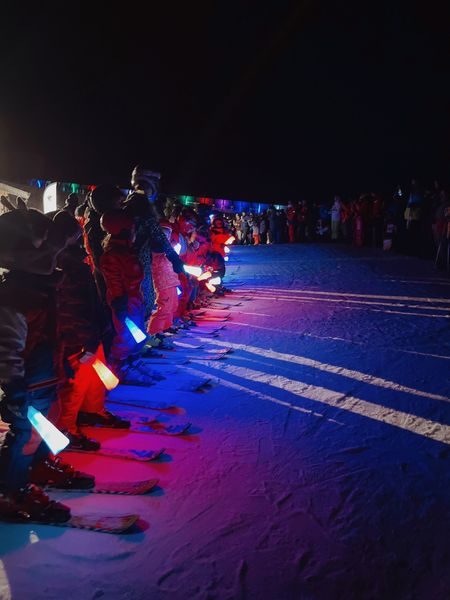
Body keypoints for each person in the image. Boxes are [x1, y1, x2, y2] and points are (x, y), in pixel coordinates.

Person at [0, 209, 91, 522]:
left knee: (43, 426)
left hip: (44, 378)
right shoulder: (14, 296)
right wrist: (11, 390)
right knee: (22, 433)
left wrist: (66, 359)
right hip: (23, 384)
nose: (57, 258)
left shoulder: (42, 288)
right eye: (52, 251)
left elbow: (52, 331)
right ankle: (9, 492)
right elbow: (6, 349)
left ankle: (38, 466)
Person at [122, 166, 184, 321]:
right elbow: (158, 235)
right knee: (143, 301)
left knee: (134, 301)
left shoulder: (127, 204)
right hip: (138, 263)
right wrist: (174, 258)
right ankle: (137, 338)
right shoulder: (141, 206)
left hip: (128, 262)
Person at [147, 220, 181, 345]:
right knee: (163, 307)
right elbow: (159, 253)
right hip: (161, 281)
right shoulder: (156, 247)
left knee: (172, 305)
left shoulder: (169, 246)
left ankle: (166, 326)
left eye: (167, 233)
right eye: (163, 233)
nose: (165, 235)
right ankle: (154, 331)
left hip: (171, 279)